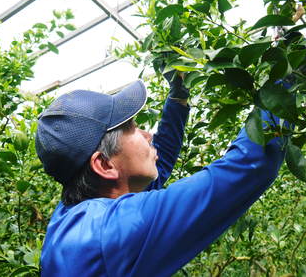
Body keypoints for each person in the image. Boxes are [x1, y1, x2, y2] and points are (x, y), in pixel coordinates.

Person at [36, 69, 287, 276]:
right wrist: (283, 76)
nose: (148, 135)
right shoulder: (116, 230)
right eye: (132, 128)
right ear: (103, 165)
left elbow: (158, 163)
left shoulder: (74, 214)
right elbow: (250, 166)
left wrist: (178, 98)